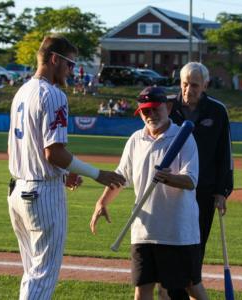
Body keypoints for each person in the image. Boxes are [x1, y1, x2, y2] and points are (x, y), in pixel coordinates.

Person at [7, 35, 125, 300]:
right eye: (70, 64)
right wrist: (98, 174)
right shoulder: (54, 95)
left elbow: (34, 149)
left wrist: (63, 172)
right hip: (41, 194)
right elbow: (53, 153)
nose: (73, 71)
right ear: (54, 60)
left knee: (32, 272)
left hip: (17, 191)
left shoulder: (22, 91)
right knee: (42, 277)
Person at [90, 86, 208, 300]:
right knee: (142, 289)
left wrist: (167, 177)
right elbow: (121, 176)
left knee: (191, 286)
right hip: (144, 230)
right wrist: (102, 202)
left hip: (177, 232)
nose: (151, 115)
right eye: (145, 111)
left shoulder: (184, 138)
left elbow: (191, 181)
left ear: (168, 107)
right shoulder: (136, 139)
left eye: (155, 109)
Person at [166, 61, 234, 298]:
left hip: (203, 192)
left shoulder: (217, 111)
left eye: (194, 85)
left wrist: (222, 190)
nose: (188, 90)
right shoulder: (167, 107)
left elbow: (225, 153)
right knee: (170, 245)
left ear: (205, 85)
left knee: (196, 247)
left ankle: (189, 286)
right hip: (171, 189)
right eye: (185, 84)